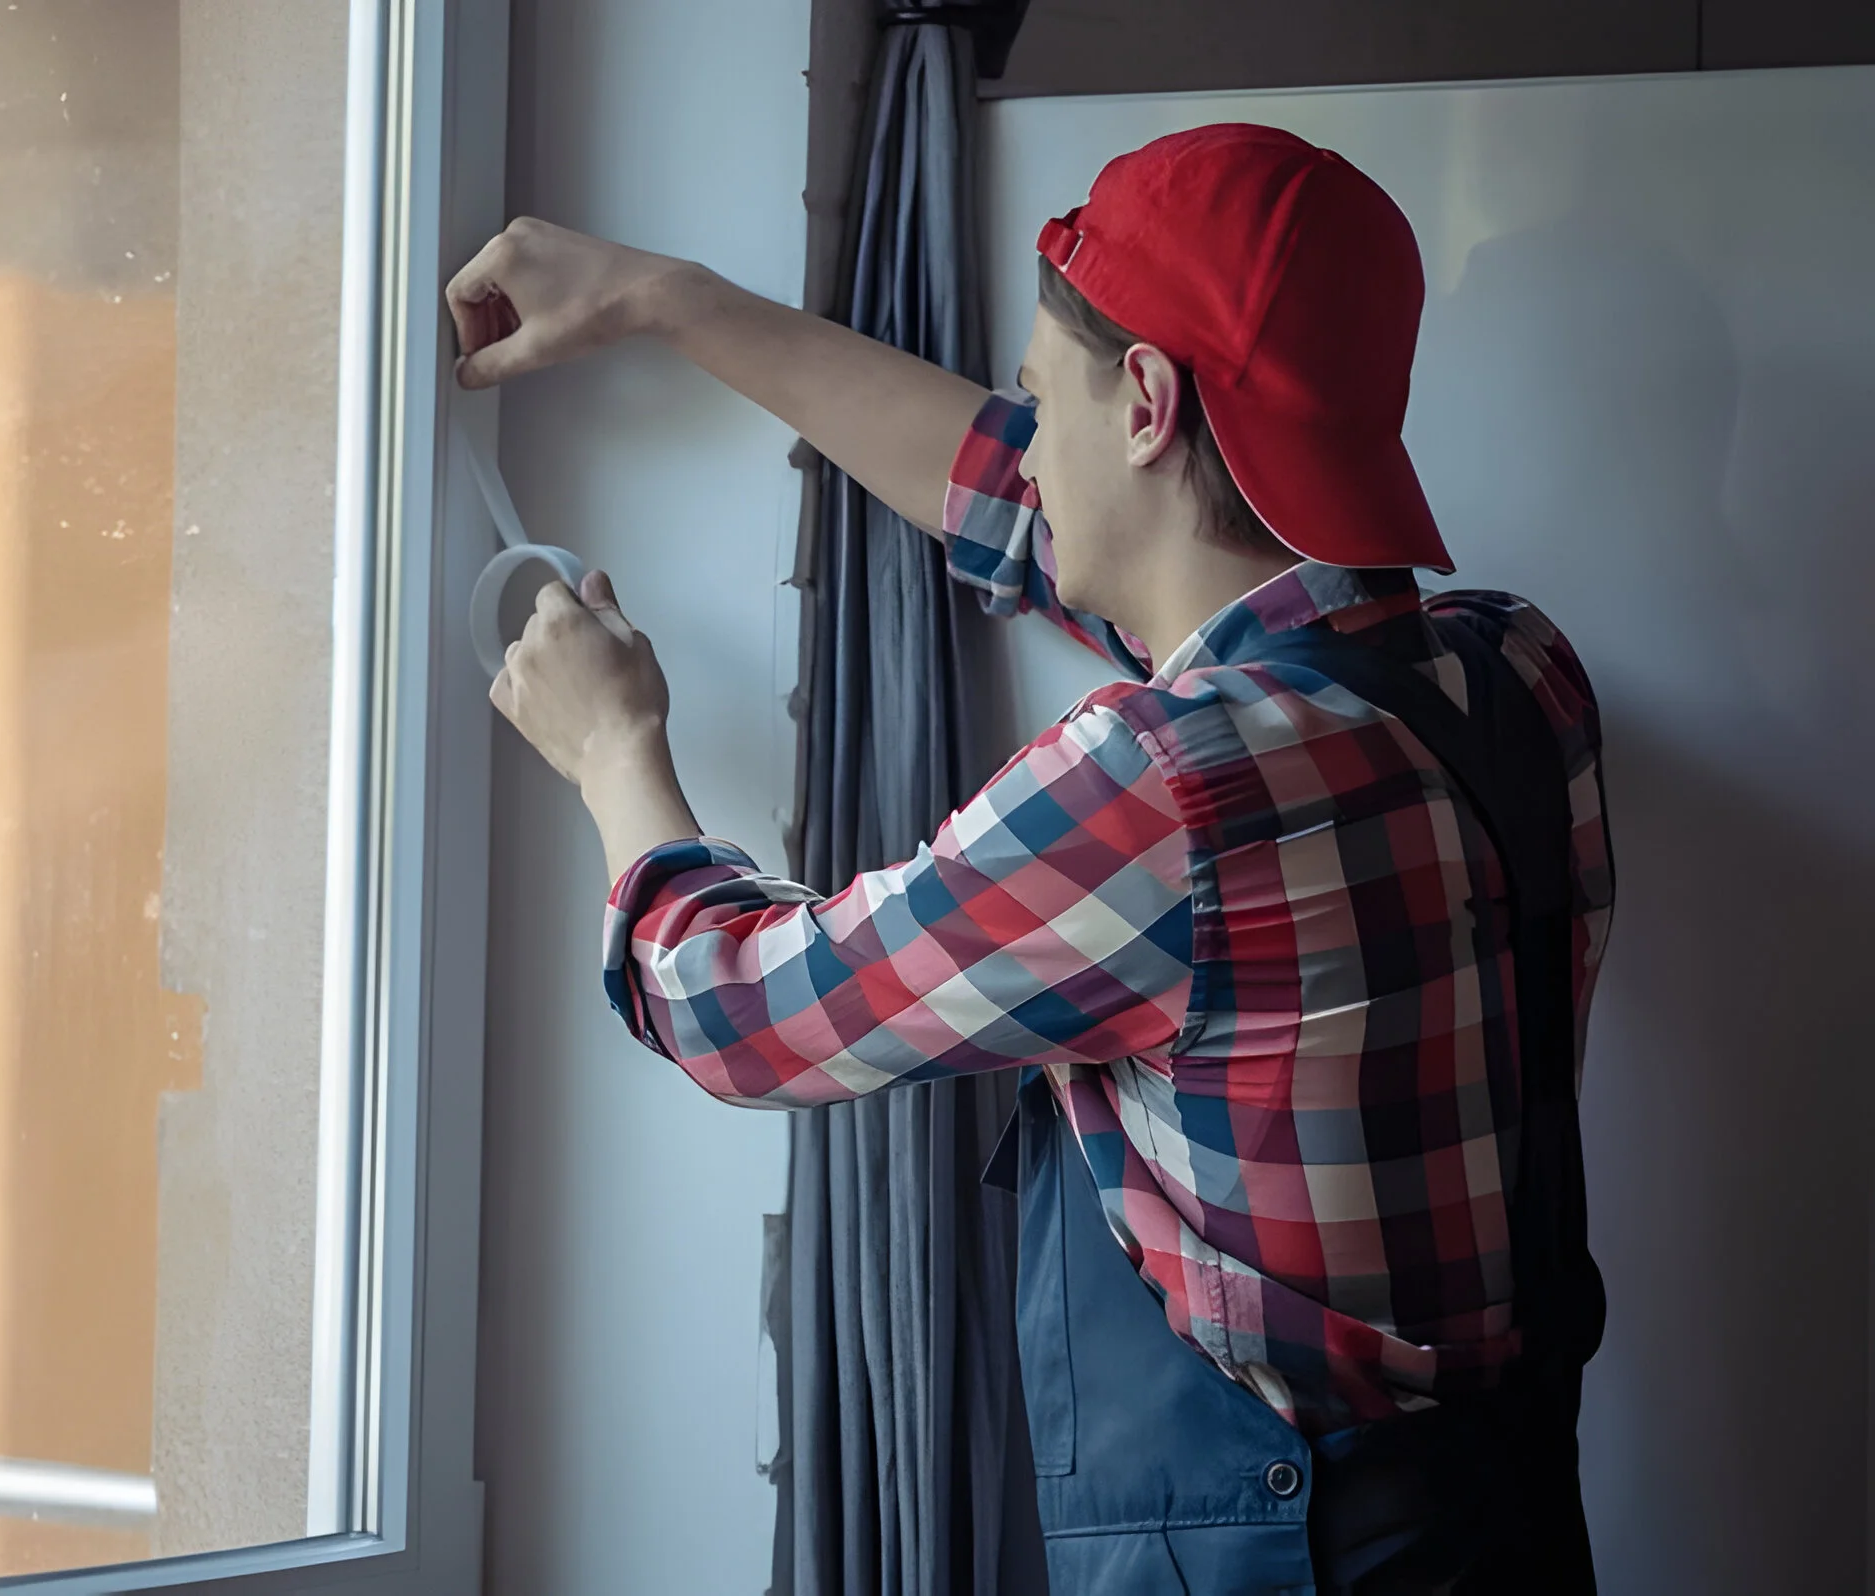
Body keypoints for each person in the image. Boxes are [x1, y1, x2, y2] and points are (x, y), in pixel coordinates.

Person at [450, 123, 1611, 1594]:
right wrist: (667, 298)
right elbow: (1034, 504)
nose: (1022, 438)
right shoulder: (1515, 674)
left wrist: (615, 752)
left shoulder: (1164, 789)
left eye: (1036, 392)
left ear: (1143, 405)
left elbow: (737, 1011)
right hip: (1508, 1535)